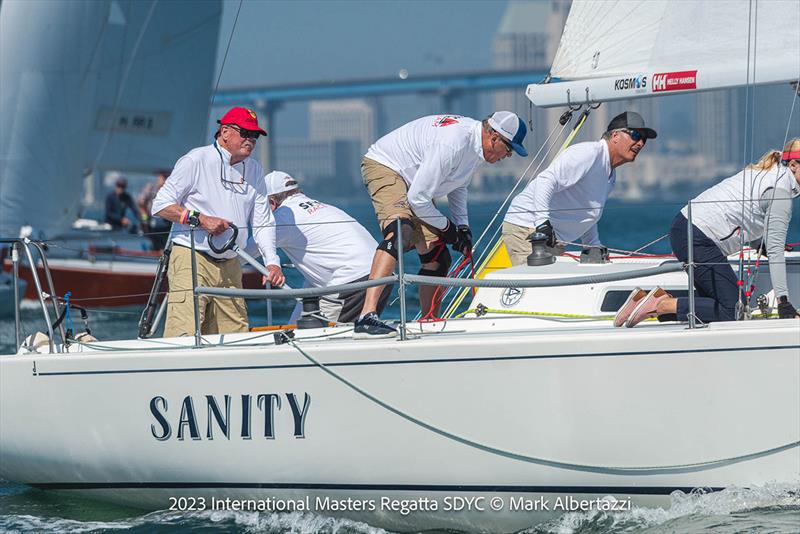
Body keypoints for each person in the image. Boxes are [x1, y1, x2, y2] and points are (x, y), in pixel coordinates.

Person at [353, 111, 528, 338]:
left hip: (415, 180)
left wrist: (462, 227)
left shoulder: (474, 148)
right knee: (400, 232)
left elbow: (458, 186)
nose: (508, 156)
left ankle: (429, 321)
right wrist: (448, 229)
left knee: (438, 255)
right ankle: (366, 317)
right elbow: (417, 199)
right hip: (386, 166)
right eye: (509, 149)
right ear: (494, 137)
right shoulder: (453, 143)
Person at [615, 138, 800, 327]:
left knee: (717, 310)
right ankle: (660, 305)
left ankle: (647, 301)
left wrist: (758, 244)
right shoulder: (780, 192)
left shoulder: (768, 174)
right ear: (793, 164)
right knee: (734, 310)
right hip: (698, 237)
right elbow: (776, 252)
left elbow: (742, 214)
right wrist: (783, 303)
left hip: (686, 229)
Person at [151, 106, 284, 338]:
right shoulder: (196, 159)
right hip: (192, 257)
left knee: (236, 335)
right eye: (245, 133)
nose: (250, 140)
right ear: (224, 132)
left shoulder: (254, 169)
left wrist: (272, 262)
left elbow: (263, 221)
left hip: (231, 263)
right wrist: (200, 219)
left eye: (254, 136)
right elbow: (160, 204)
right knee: (184, 332)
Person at [502, 111, 656, 265]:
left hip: (552, 239)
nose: (641, 143)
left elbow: (587, 211)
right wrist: (542, 223)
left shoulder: (610, 172)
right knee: (540, 287)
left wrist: (592, 245)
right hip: (529, 229)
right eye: (635, 135)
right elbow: (545, 181)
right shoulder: (589, 153)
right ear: (615, 136)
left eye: (644, 139)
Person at [260, 171, 390, 323]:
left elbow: (248, 249)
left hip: (352, 282)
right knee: (300, 328)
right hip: (382, 272)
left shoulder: (281, 218)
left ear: (272, 203)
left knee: (316, 339)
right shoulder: (324, 207)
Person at [138, 170, 171, 250]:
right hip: (152, 224)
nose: (165, 180)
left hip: (167, 224)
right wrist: (145, 220)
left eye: (167, 177)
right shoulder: (151, 188)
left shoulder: (170, 190)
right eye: (163, 177)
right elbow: (141, 203)